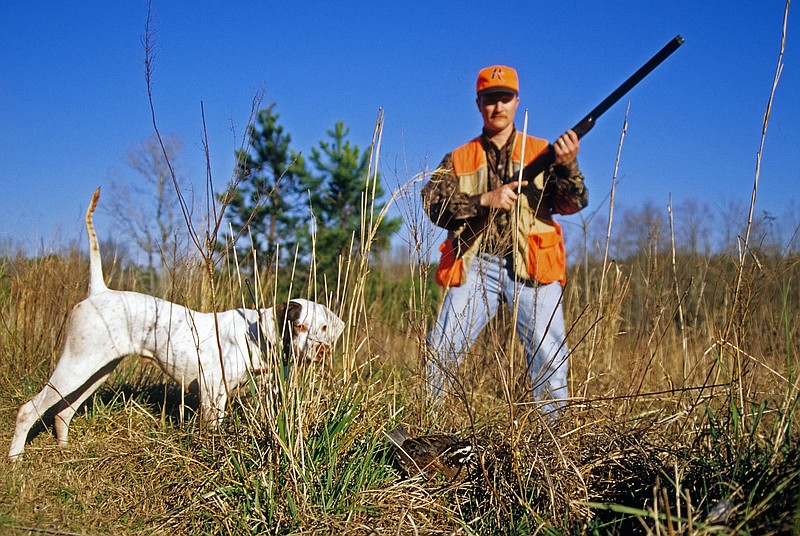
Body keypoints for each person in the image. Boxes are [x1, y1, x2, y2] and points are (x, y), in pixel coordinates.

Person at [421, 65, 588, 417]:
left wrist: (569, 164)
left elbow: (572, 203)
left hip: (532, 266)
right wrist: (484, 200)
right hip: (475, 265)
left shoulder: (544, 150)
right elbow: (432, 205)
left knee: (549, 355)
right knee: (442, 347)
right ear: (478, 103)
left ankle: (554, 440)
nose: (498, 107)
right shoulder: (457, 158)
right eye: (490, 100)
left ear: (517, 101)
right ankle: (426, 423)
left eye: (505, 99)